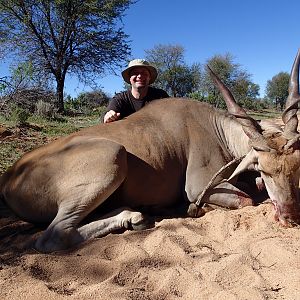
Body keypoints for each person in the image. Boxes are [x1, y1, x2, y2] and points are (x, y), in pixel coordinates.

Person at [103, 59, 169, 123]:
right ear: (130, 78)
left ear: (149, 77)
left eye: (144, 73)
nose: (140, 76)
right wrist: (108, 116)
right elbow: (107, 114)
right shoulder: (119, 99)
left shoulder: (161, 95)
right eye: (135, 73)